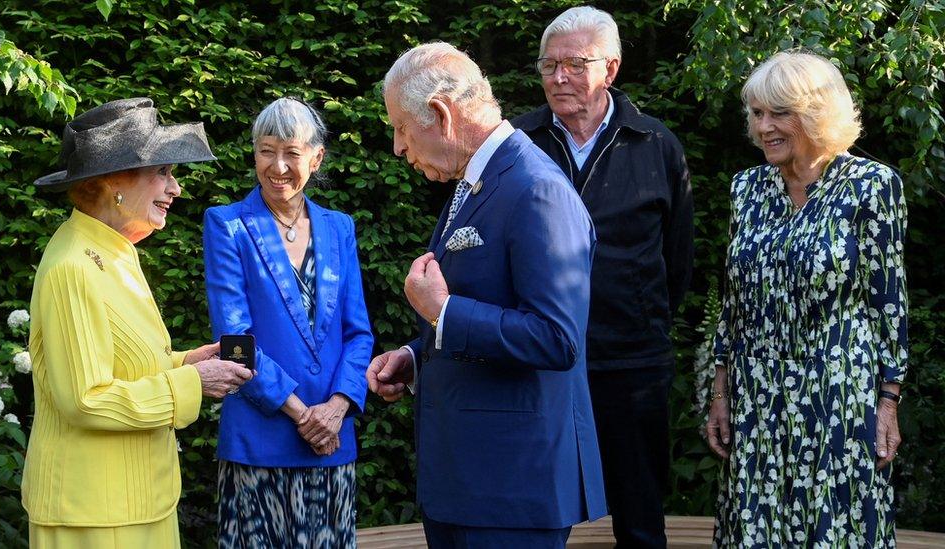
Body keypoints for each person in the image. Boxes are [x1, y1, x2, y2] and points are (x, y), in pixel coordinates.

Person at [367, 42, 607, 548]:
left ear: (440, 115)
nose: (397, 147)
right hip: (469, 484)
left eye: (401, 128)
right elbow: (489, 302)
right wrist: (416, 354)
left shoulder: (537, 189)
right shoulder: (476, 181)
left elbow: (557, 339)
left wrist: (444, 313)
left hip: (511, 489)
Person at [23, 98, 253, 548]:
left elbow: (126, 365)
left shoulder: (112, 251)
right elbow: (87, 400)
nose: (176, 188)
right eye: (163, 172)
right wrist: (192, 383)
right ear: (114, 183)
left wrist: (188, 361)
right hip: (93, 517)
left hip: (135, 504)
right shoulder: (72, 265)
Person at [706, 50, 907, 547]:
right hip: (757, 396)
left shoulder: (872, 187)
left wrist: (888, 402)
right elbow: (733, 302)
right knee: (755, 526)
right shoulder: (747, 188)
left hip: (838, 395)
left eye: (780, 113)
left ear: (816, 115)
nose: (764, 127)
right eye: (757, 114)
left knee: (836, 527)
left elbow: (890, 303)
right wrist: (719, 392)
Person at [511, 7, 693, 547]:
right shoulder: (516, 144)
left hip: (630, 362)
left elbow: (676, 263)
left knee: (639, 513)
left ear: (610, 69)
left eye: (574, 64)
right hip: (536, 359)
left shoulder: (655, 145)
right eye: (549, 65)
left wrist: (640, 319)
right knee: (534, 510)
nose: (559, 77)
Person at [203, 97, 374, 548]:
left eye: (291, 153)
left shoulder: (340, 227)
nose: (277, 166)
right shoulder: (227, 225)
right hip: (259, 445)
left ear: (315, 159)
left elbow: (358, 333)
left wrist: (335, 410)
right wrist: (304, 416)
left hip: (332, 445)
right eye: (265, 150)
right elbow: (234, 343)